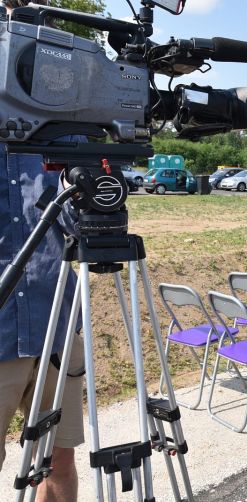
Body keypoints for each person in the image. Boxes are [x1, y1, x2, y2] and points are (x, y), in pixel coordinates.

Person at [0, 4, 84, 500]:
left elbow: (89, 226)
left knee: (60, 462)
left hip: (57, 322)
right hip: (2, 325)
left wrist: (96, 186)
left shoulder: (70, 130)